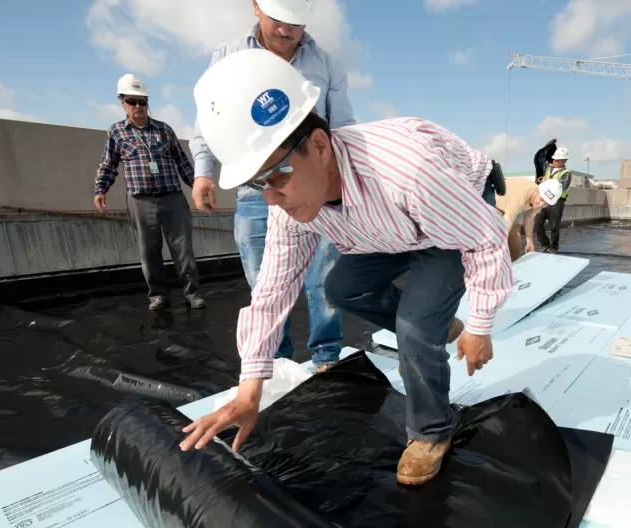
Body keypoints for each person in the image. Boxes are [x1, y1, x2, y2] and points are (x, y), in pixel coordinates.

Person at [179, 49, 513, 486]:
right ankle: (436, 323)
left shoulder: (406, 171)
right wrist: (249, 390)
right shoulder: (291, 204)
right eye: (256, 184)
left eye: (276, 176)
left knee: (414, 328)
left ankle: (432, 430)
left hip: (455, 216)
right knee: (341, 286)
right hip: (394, 225)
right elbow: (271, 293)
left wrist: (481, 325)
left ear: (319, 146)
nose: (270, 199)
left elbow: (485, 237)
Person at [189, 0, 354, 373]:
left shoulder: (326, 63)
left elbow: (342, 126)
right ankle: (275, 363)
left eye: (295, 24)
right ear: (256, 7)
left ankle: (327, 356)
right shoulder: (227, 56)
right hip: (254, 187)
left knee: (324, 273)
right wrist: (204, 172)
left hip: (309, 183)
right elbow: (209, 121)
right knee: (264, 279)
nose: (286, 31)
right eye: (277, 19)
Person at [94, 74, 205, 311]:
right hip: (140, 200)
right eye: (132, 101)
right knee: (148, 251)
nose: (138, 106)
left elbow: (182, 161)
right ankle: (158, 295)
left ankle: (192, 293)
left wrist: (197, 186)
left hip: (172, 197)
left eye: (142, 101)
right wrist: (101, 189)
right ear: (122, 102)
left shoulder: (165, 130)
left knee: (183, 248)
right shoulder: (116, 132)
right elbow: (108, 164)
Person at [495, 178, 563, 260]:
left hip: (506, 209)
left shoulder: (538, 200)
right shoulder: (520, 196)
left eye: (546, 203)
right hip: (491, 204)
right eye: (541, 199)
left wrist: (529, 241)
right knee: (504, 234)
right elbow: (507, 221)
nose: (541, 205)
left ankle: (512, 265)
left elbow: (530, 216)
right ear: (537, 190)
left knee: (514, 239)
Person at [534, 147, 572, 253]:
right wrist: (541, 180)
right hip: (544, 199)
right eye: (554, 159)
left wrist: (547, 182)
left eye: (556, 160)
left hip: (557, 202)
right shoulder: (549, 168)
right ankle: (544, 243)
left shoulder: (566, 173)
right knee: (538, 222)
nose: (554, 161)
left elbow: (561, 187)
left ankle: (554, 247)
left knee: (554, 226)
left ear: (563, 161)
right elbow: (542, 179)